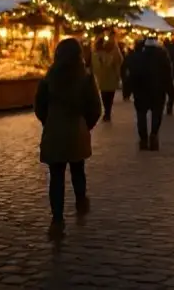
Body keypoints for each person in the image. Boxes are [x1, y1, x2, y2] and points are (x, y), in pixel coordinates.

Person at [34, 37, 102, 240]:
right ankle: (81, 200)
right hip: (76, 130)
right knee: (78, 168)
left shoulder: (48, 79)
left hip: (55, 130)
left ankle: (57, 219)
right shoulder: (85, 78)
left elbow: (39, 107)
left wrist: (50, 121)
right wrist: (85, 125)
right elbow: (95, 108)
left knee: (56, 177)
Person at [129, 36, 174, 151]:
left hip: (141, 92)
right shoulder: (163, 57)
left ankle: (143, 140)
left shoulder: (137, 57)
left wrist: (129, 90)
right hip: (158, 91)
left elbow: (132, 75)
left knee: (141, 115)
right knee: (156, 114)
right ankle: (154, 135)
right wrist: (171, 93)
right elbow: (168, 76)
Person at [92, 35, 123, 122]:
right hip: (109, 78)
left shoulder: (97, 54)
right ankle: (107, 112)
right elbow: (119, 61)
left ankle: (107, 112)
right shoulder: (108, 54)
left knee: (105, 95)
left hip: (104, 78)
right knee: (109, 96)